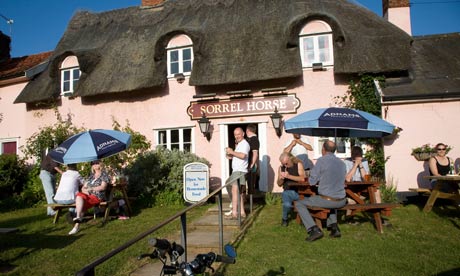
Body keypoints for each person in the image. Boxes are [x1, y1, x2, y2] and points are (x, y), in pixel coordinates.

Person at [296, 140, 347, 242]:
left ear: (323, 149)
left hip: (329, 200)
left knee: (299, 204)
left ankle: (314, 229)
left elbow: (311, 182)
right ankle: (334, 228)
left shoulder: (321, 161)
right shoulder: (342, 163)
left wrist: (313, 176)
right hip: (342, 200)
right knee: (330, 199)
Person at [69, 160, 110, 235]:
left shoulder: (104, 175)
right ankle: (78, 218)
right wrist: (85, 190)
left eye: (96, 163)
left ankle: (76, 225)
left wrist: (91, 189)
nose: (94, 165)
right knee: (79, 195)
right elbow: (83, 187)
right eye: (93, 163)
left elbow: (103, 187)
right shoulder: (91, 176)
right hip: (88, 195)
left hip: (97, 196)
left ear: (100, 164)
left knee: (82, 203)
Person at [224, 127, 250, 219]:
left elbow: (243, 156)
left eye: (238, 134)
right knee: (235, 189)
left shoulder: (244, 144)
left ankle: (234, 213)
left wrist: (232, 151)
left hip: (240, 170)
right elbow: (234, 157)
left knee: (235, 191)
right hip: (237, 170)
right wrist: (229, 154)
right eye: (235, 134)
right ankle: (242, 212)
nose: (237, 136)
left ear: (243, 134)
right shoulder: (239, 144)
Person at [277, 152, 305, 227]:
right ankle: (284, 219)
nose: (285, 165)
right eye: (283, 164)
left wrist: (289, 176)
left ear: (290, 159)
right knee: (287, 205)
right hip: (287, 191)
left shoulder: (298, 164)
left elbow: (302, 178)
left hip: (299, 191)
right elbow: (279, 184)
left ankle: (304, 220)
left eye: (286, 163)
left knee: (306, 203)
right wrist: (282, 179)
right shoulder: (281, 168)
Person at [39, 150, 63, 216]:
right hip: (46, 173)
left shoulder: (58, 155)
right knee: (50, 193)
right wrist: (63, 173)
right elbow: (55, 166)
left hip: (52, 174)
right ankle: (52, 211)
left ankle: (50, 211)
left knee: (53, 193)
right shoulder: (53, 154)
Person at [245, 124, 260, 193]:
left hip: (251, 165)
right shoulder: (249, 139)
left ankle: (251, 202)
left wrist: (251, 164)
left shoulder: (254, 139)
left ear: (247, 130)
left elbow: (255, 153)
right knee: (247, 182)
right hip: (248, 164)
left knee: (250, 183)